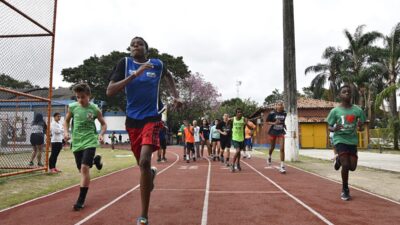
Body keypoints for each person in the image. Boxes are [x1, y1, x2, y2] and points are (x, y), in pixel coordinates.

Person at [106, 36, 181, 225]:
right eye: (132, 44)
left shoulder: (157, 64)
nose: (135, 46)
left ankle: (144, 215)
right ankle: (150, 174)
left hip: (152, 118)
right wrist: (134, 74)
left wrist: (175, 96)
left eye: (139, 44)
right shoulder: (124, 63)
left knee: (145, 160)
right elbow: (110, 91)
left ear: (146, 49)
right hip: (132, 121)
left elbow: (169, 76)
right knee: (142, 166)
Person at [64, 83, 107, 211]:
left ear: (89, 96)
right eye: (78, 97)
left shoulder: (94, 109)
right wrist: (66, 133)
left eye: (83, 97)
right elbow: (66, 121)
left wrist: (101, 135)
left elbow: (103, 124)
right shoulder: (72, 108)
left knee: (84, 169)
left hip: (90, 140)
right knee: (81, 169)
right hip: (77, 142)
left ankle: (80, 201)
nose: (80, 100)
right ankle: (95, 160)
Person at [326, 85, 365, 201]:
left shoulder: (357, 110)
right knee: (346, 165)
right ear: (340, 95)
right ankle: (345, 189)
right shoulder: (335, 111)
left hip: (352, 140)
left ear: (351, 95)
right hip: (340, 139)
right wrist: (334, 129)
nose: (347, 93)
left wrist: (360, 127)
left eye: (349, 92)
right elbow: (329, 127)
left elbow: (361, 127)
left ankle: (338, 160)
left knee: (352, 167)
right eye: (344, 92)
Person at [266, 102, 287, 173]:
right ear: (276, 106)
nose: (280, 106)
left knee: (282, 148)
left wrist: (284, 125)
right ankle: (269, 156)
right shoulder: (272, 113)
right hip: (273, 132)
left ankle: (282, 166)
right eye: (279, 105)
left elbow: (284, 121)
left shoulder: (284, 113)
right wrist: (274, 123)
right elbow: (267, 122)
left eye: (281, 105)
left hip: (281, 132)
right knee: (272, 147)